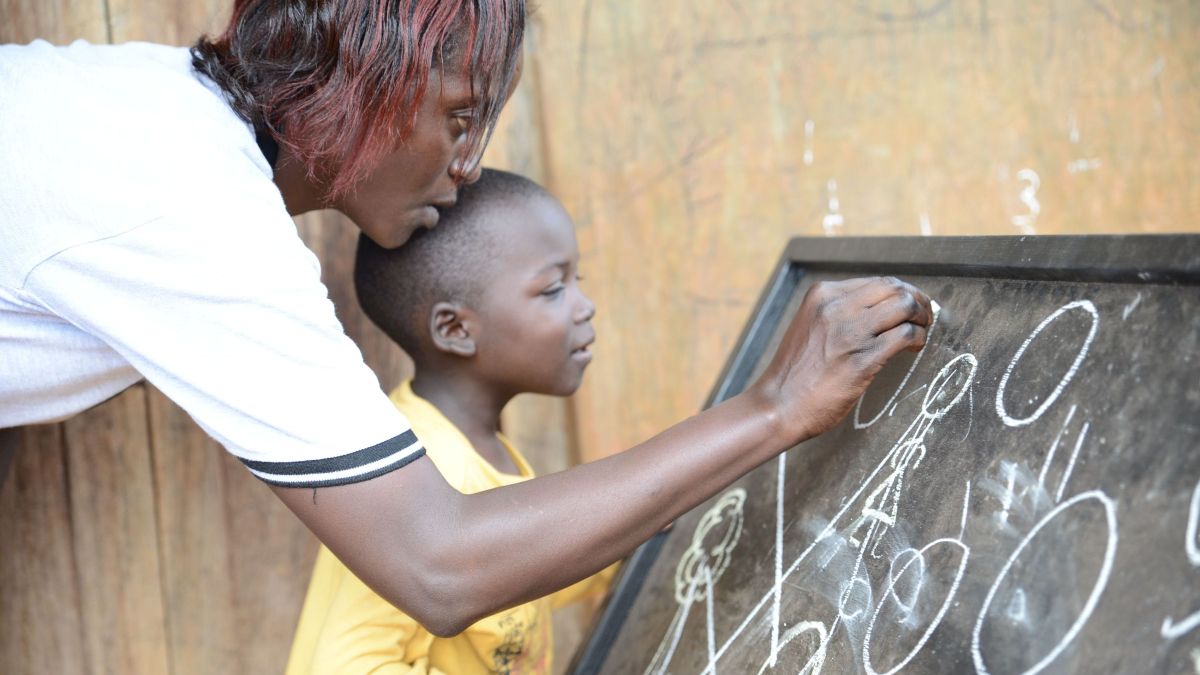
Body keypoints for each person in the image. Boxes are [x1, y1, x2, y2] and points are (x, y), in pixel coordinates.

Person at [0, 0, 934, 637]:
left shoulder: (147, 115)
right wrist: (775, 408)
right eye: (458, 117)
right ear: (368, 83)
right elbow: (437, 565)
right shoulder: (188, 202)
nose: (470, 164)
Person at [287, 168, 615, 674]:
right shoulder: (430, 469)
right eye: (554, 289)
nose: (585, 307)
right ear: (456, 328)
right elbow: (346, 666)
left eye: (579, 282)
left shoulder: (474, 448)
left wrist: (628, 539)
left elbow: (509, 592)